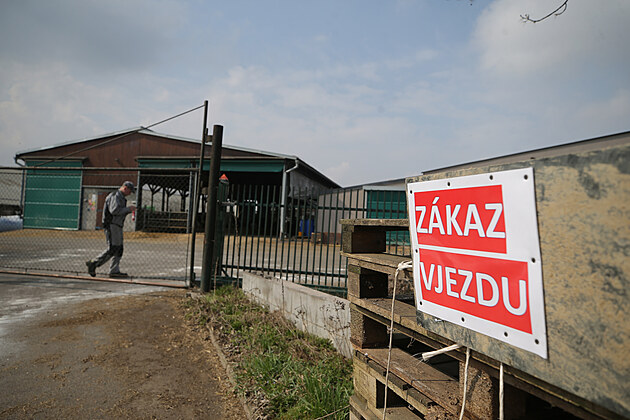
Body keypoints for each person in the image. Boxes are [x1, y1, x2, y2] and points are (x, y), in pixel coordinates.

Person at [86, 181, 137, 277]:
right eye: (130, 191)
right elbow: (114, 210)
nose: (130, 194)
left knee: (119, 248)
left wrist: (127, 210)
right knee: (113, 248)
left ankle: (114, 270)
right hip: (111, 225)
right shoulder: (115, 196)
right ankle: (94, 263)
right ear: (125, 188)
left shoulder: (121, 197)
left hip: (117, 225)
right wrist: (128, 209)